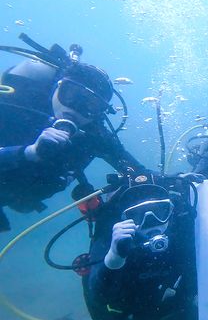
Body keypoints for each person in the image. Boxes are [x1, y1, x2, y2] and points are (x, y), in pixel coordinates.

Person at [0, 42, 145, 231]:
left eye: (90, 105)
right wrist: (29, 152)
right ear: (59, 86)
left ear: (99, 113)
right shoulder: (15, 104)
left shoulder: (95, 135)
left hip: (23, 198)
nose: (74, 109)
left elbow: (136, 170)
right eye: (71, 94)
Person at [85, 171, 198, 320]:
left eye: (160, 211)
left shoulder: (182, 227)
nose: (151, 221)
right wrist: (113, 259)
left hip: (174, 308)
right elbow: (98, 297)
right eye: (138, 215)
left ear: (171, 210)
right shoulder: (113, 236)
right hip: (126, 316)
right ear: (125, 218)